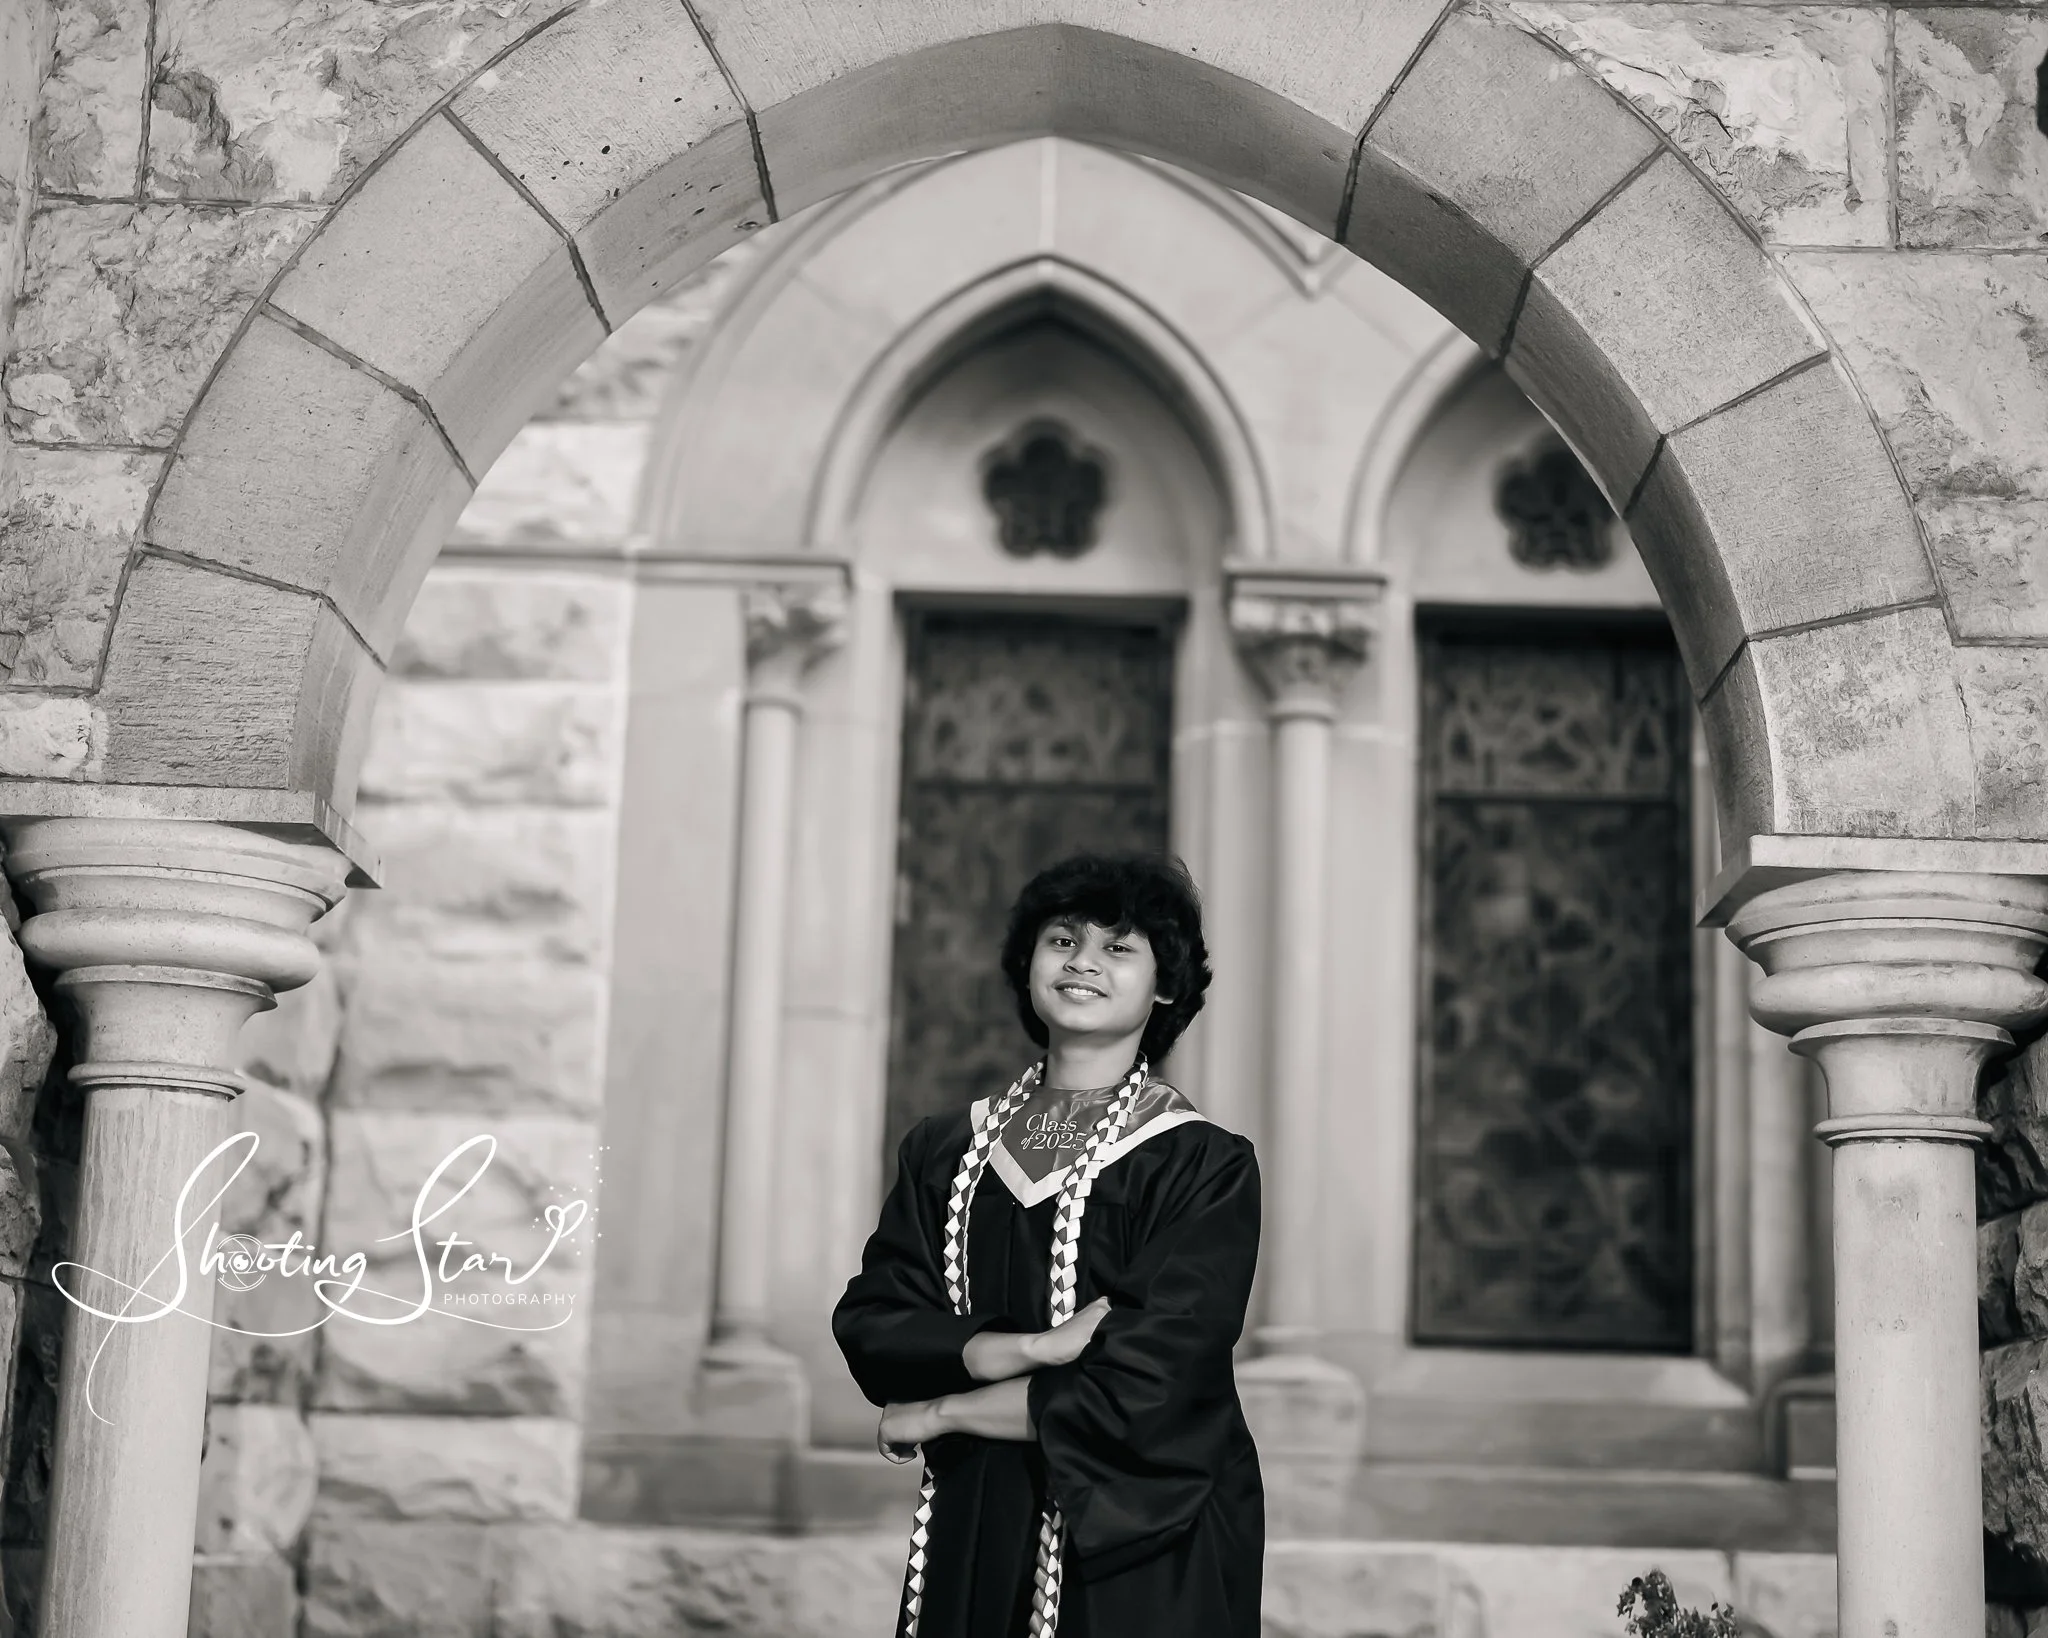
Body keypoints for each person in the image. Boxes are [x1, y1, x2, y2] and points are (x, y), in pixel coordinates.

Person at [832, 853, 1264, 1638]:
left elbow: (1147, 1387)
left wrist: (938, 1412)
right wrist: (1033, 1345)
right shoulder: (945, 1149)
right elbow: (874, 1327)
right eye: (1062, 941)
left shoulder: (1201, 1162)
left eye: (1119, 948)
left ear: (1165, 985)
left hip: (1135, 1540)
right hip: (976, 1517)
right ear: (1027, 964)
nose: (1084, 963)